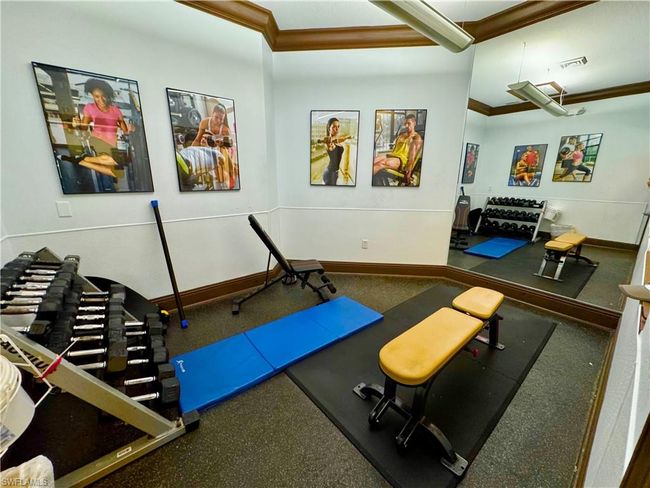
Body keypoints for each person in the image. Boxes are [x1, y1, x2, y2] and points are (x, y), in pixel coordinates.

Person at [71, 78, 134, 190]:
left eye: (103, 96)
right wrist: (76, 125)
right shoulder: (90, 108)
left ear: (108, 95)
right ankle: (108, 190)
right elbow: (83, 130)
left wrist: (130, 128)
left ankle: (84, 161)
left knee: (113, 173)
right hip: (97, 143)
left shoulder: (115, 110)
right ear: (92, 95)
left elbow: (125, 129)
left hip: (112, 146)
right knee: (106, 175)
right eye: (97, 96)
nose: (101, 99)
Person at [192, 102, 239, 189]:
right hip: (207, 146)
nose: (218, 121)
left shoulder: (225, 130)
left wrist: (220, 143)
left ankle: (229, 176)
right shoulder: (204, 122)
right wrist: (192, 150)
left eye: (221, 119)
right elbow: (197, 139)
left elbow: (228, 146)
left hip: (222, 148)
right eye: (216, 117)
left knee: (221, 154)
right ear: (212, 114)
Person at [373, 114, 423, 186]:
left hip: (401, 160)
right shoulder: (402, 135)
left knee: (381, 163)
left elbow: (412, 157)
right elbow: (394, 150)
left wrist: (408, 171)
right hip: (393, 155)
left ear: (414, 123)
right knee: (374, 160)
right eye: (405, 124)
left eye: (408, 123)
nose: (406, 126)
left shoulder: (416, 138)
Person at [320, 118, 352, 185]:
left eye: (338, 126)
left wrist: (347, 137)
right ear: (329, 128)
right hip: (330, 174)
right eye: (334, 127)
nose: (337, 129)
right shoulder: (329, 141)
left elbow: (341, 139)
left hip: (334, 173)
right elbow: (329, 145)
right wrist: (328, 142)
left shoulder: (336, 140)